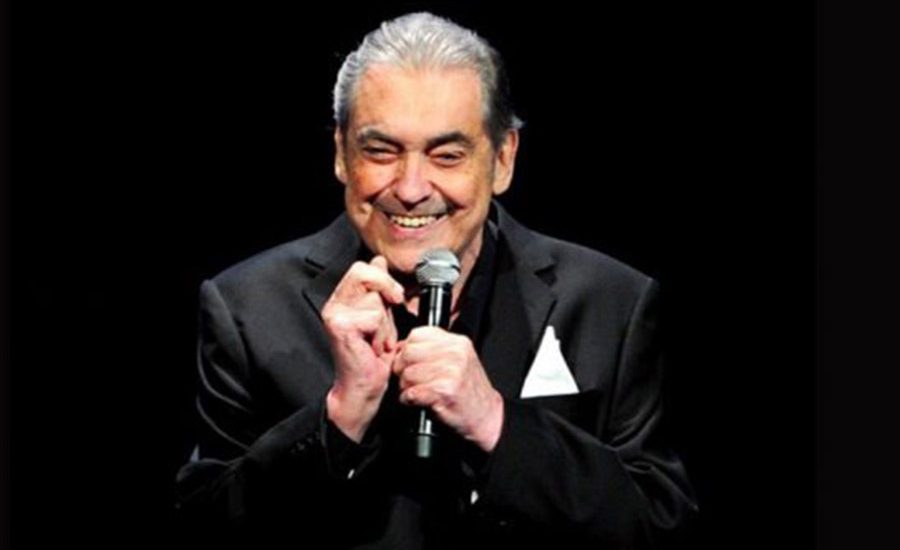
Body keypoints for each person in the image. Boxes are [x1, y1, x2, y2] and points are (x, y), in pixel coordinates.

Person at [175, 12, 697, 549]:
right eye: (381, 152)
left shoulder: (610, 302)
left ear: (502, 159)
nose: (411, 188)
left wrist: (497, 423)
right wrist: (339, 417)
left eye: (447, 156)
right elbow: (202, 526)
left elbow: (659, 523)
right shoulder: (248, 307)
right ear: (341, 154)